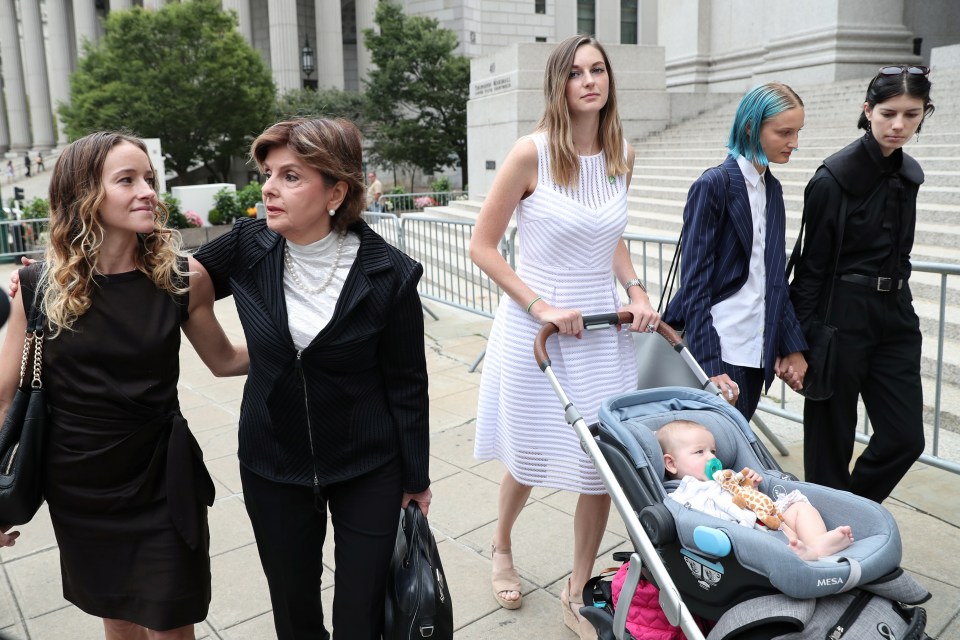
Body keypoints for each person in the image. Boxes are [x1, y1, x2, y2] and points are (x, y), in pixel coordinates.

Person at [0, 131, 248, 639]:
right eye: (127, 180)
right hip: (81, 485)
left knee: (173, 621)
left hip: (162, 479)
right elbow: (4, 394)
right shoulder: (38, 285)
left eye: (149, 179)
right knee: (118, 616)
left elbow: (225, 361)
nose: (148, 191)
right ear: (84, 194)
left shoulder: (182, 277)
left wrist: (313, 342)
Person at [193, 117, 431, 640]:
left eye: (291, 176)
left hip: (367, 464)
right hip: (272, 460)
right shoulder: (249, 244)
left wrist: (416, 478)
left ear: (336, 191)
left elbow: (408, 383)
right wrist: (47, 277)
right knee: (295, 613)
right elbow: (176, 281)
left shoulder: (389, 274)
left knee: (359, 618)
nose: (269, 188)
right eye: (268, 173)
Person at [470, 35, 659, 640]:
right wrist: (541, 303)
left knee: (599, 467)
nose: (589, 81)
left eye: (598, 69)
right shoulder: (530, 154)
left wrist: (634, 290)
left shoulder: (620, 151)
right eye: (576, 72)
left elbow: (610, 237)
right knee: (526, 455)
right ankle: (500, 544)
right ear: (559, 84)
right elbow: (482, 246)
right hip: (539, 327)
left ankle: (577, 590)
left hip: (601, 331)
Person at [789, 66, 935, 504]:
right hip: (840, 316)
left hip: (895, 316)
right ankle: (827, 535)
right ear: (867, 110)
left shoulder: (910, 175)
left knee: (905, 438)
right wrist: (797, 343)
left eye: (911, 115)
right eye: (889, 113)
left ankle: (844, 513)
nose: (898, 125)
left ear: (924, 114)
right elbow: (809, 269)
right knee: (829, 441)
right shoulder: (833, 178)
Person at [662, 82, 809, 420]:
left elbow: (772, 278)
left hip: (757, 350)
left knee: (731, 458)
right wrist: (709, 364)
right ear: (750, 128)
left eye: (798, 132)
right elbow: (695, 282)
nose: (794, 143)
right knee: (716, 459)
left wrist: (792, 345)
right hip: (719, 349)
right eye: (784, 132)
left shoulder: (772, 188)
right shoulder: (715, 184)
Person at [657, 420, 854, 561]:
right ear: (671, 464)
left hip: (766, 516)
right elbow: (693, 521)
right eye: (700, 452)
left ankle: (815, 544)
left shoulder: (728, 477)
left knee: (799, 507)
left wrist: (751, 487)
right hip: (743, 531)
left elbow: (751, 499)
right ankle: (807, 551)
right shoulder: (682, 495)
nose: (711, 458)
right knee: (768, 533)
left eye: (713, 451)